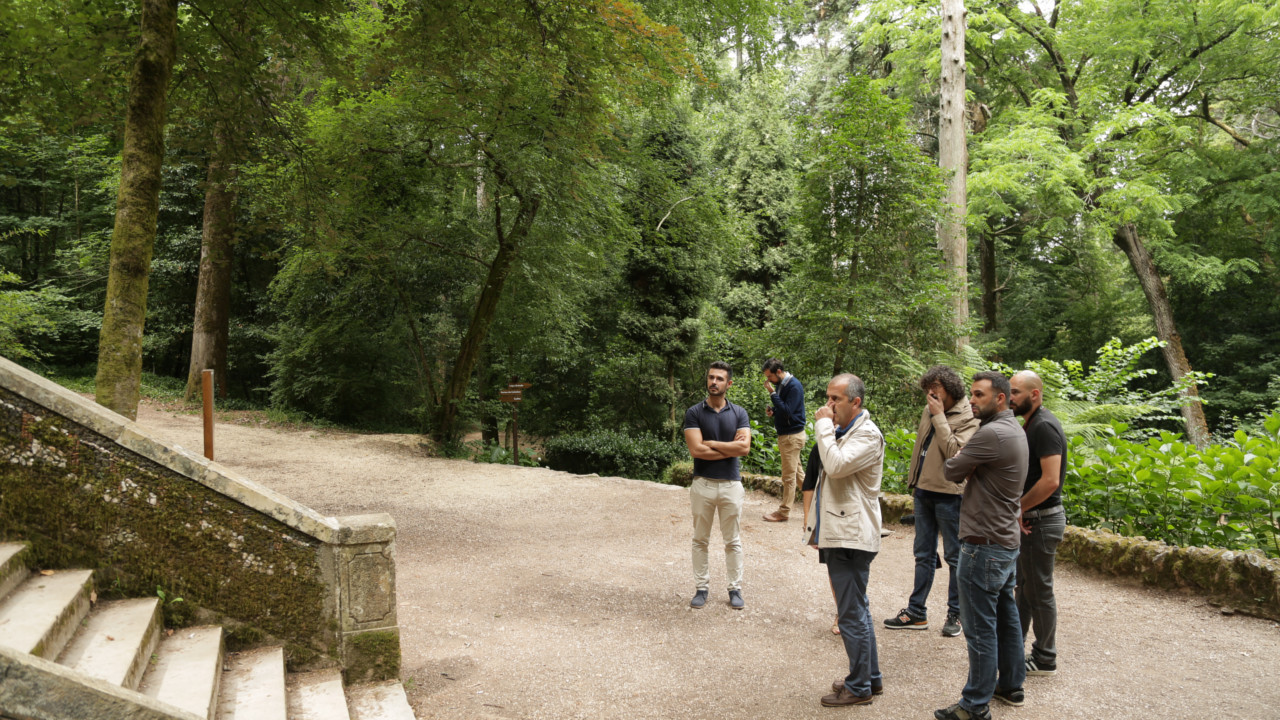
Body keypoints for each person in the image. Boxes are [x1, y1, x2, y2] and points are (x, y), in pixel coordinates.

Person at [935, 371, 1029, 720]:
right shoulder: (1014, 430)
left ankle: (974, 706)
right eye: (972, 394)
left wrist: (966, 467)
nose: (971, 400)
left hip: (983, 545)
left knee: (980, 630)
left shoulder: (991, 433)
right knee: (1006, 619)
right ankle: (1011, 685)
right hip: (1004, 542)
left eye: (978, 395)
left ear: (1000, 399)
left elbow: (950, 469)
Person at [804, 373, 885, 707]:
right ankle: (870, 678)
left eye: (835, 399)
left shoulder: (867, 435)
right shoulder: (847, 431)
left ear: (856, 402)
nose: (828, 406)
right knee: (857, 610)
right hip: (842, 533)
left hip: (852, 538)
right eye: (827, 398)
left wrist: (822, 427)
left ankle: (860, 687)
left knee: (851, 613)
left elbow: (835, 467)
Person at [884, 365, 979, 638]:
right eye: (927, 391)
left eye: (934, 390)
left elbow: (954, 453)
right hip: (923, 491)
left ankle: (956, 614)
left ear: (949, 389)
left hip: (951, 494)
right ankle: (916, 612)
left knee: (954, 557)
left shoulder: (970, 415)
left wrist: (939, 417)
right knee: (923, 554)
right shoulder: (930, 409)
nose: (930, 396)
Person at [1009, 370, 1067, 678]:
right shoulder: (1031, 424)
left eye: (1016, 392)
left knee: (1039, 590)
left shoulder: (1043, 427)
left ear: (1035, 394)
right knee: (1026, 588)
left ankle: (1045, 657)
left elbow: (1050, 481)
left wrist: (1019, 508)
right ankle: (1015, 647)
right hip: (1033, 519)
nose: (1011, 397)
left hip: (1042, 521)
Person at [683, 361, 751, 610]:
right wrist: (729, 448)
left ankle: (735, 589)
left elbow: (744, 448)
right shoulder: (694, 412)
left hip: (731, 484)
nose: (714, 382)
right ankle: (701, 588)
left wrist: (711, 443)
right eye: (711, 377)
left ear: (728, 383)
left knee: (732, 541)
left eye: (719, 378)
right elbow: (695, 450)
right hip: (703, 484)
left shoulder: (740, 413)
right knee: (700, 539)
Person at [762, 358, 807, 522]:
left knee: (788, 477)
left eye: (770, 376)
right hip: (788, 435)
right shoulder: (783, 384)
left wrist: (772, 393)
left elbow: (788, 411)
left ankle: (784, 512)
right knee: (799, 476)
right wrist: (773, 411)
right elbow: (784, 408)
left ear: (779, 372)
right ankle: (820, 503)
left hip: (791, 437)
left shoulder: (793, 386)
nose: (768, 380)